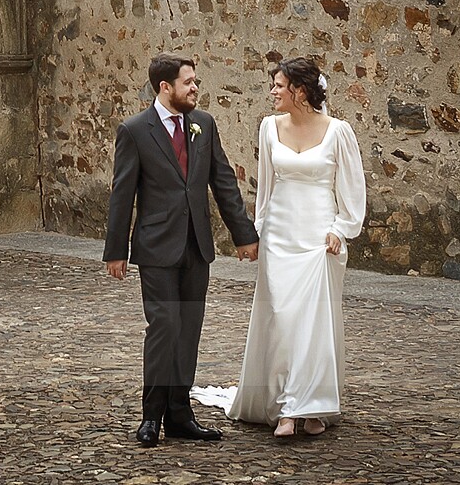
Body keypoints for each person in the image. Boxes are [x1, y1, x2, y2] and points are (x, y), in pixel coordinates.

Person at [104, 53, 259, 448]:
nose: (195, 88)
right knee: (164, 327)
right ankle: (151, 416)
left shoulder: (203, 124)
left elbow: (223, 181)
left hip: (196, 246)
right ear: (165, 87)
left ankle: (180, 415)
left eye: (195, 81)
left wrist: (244, 235)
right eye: (188, 82)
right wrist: (115, 249)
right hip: (156, 247)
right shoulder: (135, 130)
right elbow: (122, 194)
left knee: (188, 330)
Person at [224, 56, 368, 436]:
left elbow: (351, 188)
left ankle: (311, 406)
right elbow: (266, 189)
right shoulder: (269, 128)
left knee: (314, 322)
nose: (273, 92)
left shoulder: (339, 132)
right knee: (283, 320)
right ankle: (287, 406)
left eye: (278, 86)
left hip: (320, 237)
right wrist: (256, 233)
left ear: (300, 91)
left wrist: (342, 228)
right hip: (280, 236)